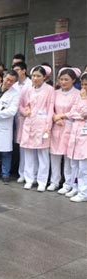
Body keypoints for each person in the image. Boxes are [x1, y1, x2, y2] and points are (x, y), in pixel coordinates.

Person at [18, 65, 54, 191]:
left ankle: (42, 181)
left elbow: (50, 109)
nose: (35, 78)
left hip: (42, 124)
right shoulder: (28, 89)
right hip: (29, 123)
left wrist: (48, 126)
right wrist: (24, 111)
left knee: (42, 154)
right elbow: (21, 105)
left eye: (38, 76)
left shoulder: (50, 90)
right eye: (33, 76)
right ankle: (29, 178)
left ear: (44, 77)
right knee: (28, 153)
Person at [48, 68, 81, 193]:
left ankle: (68, 183)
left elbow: (76, 111)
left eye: (66, 79)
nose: (63, 82)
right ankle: (54, 181)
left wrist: (62, 116)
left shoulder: (77, 94)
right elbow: (50, 107)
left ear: (73, 80)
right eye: (61, 79)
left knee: (68, 157)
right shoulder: (55, 93)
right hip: (56, 125)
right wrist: (55, 118)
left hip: (69, 126)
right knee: (54, 155)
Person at [65, 72, 87, 202]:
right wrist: (80, 115)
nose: (84, 87)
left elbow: (85, 113)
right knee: (75, 164)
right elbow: (73, 112)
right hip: (76, 132)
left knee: (84, 167)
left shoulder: (82, 97)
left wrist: (84, 101)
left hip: (84, 136)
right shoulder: (80, 96)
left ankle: (84, 193)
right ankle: (76, 187)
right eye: (83, 84)